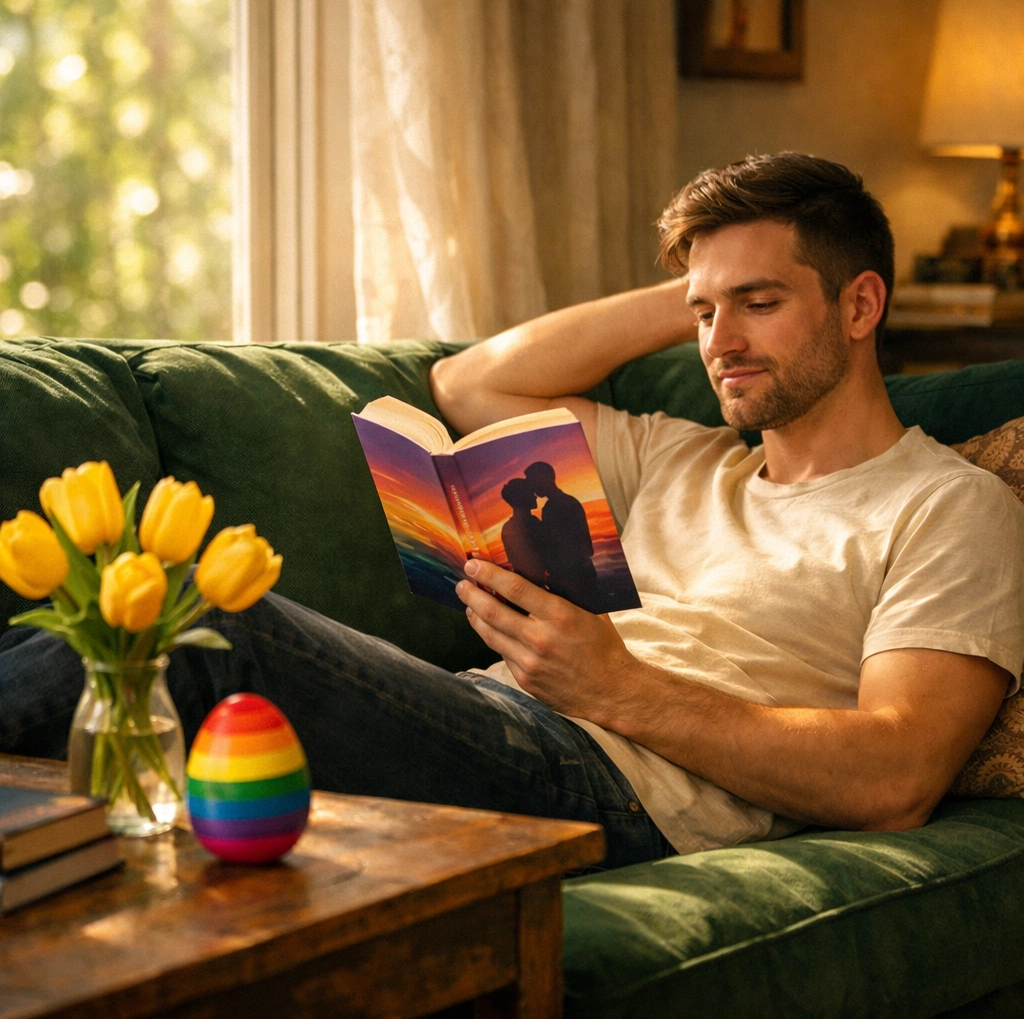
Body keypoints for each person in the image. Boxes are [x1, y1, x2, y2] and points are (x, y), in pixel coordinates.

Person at [2, 153, 1022, 869]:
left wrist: (617, 687)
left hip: (609, 785)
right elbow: (469, 384)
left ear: (858, 305)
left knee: (202, 622)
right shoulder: (683, 457)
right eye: (706, 312)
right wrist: (704, 282)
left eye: (759, 302)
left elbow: (897, 775)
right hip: (497, 716)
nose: (718, 342)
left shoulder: (945, 506)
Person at [523, 461, 600, 611]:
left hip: (572, 577)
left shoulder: (554, 507)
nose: (531, 486)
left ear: (546, 478)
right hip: (581, 572)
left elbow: (560, 546)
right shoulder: (569, 501)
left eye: (532, 480)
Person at [499, 477, 546, 587]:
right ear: (522, 497)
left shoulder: (532, 521)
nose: (535, 496)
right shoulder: (513, 528)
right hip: (533, 586)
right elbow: (530, 564)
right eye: (531, 493)